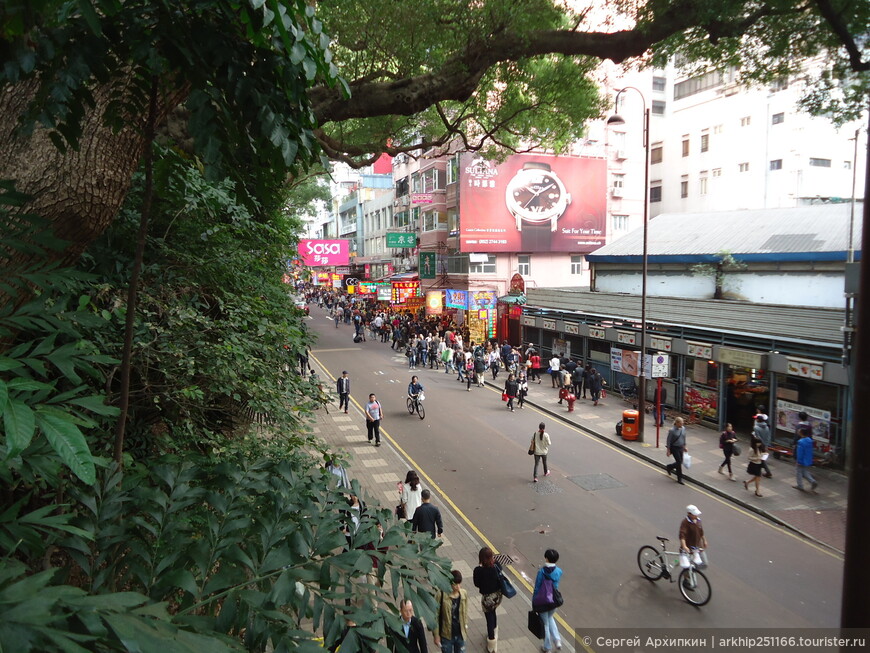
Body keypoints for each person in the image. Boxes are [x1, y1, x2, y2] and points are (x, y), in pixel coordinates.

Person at [532, 549, 562, 652]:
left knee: (545, 624)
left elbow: (537, 588)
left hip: (542, 601)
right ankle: (557, 640)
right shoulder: (558, 571)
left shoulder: (541, 572)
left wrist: (534, 602)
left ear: (546, 558)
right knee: (550, 618)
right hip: (553, 601)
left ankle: (547, 647)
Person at [473, 547, 501, 653]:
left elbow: (476, 584)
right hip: (497, 597)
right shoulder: (496, 567)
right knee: (493, 612)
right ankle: (495, 629)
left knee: (489, 617)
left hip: (486, 598)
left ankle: (491, 643)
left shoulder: (478, 570)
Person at [432, 570, 468, 653]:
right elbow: (435, 616)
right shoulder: (441, 595)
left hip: (460, 634)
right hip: (446, 635)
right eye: (455, 584)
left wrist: (465, 625)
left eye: (459, 584)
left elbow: (465, 611)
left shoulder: (464, 594)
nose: (458, 587)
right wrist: (436, 635)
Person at [794, 428, 819, 493]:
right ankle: (813, 481)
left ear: (801, 433)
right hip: (807, 459)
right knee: (805, 472)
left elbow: (800, 452)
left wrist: (798, 461)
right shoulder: (809, 440)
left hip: (802, 460)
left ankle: (800, 486)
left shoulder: (801, 442)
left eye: (799, 431)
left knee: (798, 472)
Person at [665, 416, 687, 485]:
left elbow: (684, 437)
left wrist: (684, 446)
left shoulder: (683, 428)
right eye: (680, 423)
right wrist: (668, 450)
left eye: (682, 423)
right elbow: (668, 441)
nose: (682, 425)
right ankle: (679, 478)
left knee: (680, 462)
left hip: (680, 447)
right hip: (674, 448)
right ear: (676, 423)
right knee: (679, 462)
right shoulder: (672, 430)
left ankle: (669, 466)